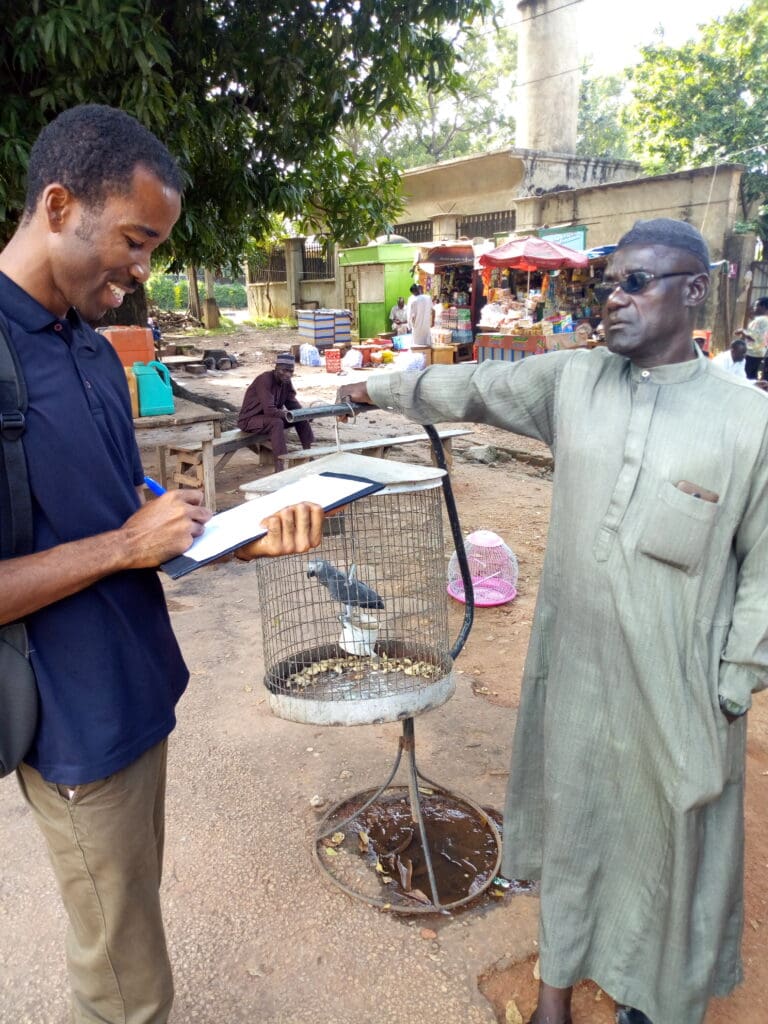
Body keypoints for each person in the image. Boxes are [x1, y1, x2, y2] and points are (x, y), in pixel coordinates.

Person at [338, 218, 768, 1024]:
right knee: (575, 825)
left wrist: (733, 686)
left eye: (637, 283)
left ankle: (657, 999)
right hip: (574, 668)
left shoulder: (749, 423)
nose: (615, 299)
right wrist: (372, 388)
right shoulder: (575, 381)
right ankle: (554, 998)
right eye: (611, 282)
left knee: (667, 846)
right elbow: (470, 388)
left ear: (693, 291)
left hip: (678, 687)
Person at [0, 104, 324, 1024]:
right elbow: (120, 541)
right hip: (71, 722)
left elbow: (131, 508)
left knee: (124, 926)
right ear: (59, 205)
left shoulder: (96, 355)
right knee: (127, 991)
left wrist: (232, 535)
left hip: (140, 691)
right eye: (136, 241)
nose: (143, 269)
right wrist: (123, 547)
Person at [237, 352, 314, 472]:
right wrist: (289, 414)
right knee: (277, 423)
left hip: (268, 418)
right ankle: (279, 464)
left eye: (291, 371)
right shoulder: (264, 379)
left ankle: (309, 453)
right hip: (249, 420)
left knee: (299, 416)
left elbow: (292, 403)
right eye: (284, 370)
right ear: (276, 368)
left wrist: (303, 414)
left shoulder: (286, 382)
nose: (288, 374)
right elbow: (269, 410)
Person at [743, 295, 768, 378]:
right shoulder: (763, 320)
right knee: (752, 376)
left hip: (752, 353)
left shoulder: (761, 320)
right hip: (759, 353)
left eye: (756, 305)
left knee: (747, 377)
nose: (754, 307)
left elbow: (755, 337)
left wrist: (743, 332)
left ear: (763, 307)